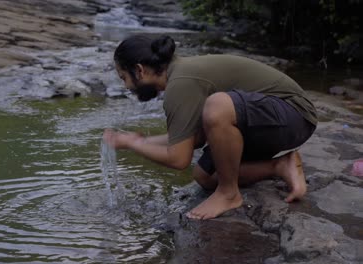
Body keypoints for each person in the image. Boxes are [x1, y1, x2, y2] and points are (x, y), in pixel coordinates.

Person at [103, 35, 317, 220]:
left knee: (218, 106)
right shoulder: (180, 76)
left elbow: (178, 158)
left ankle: (229, 194)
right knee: (205, 176)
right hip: (272, 123)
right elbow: (191, 139)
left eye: (124, 78)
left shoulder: (181, 82)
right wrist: (137, 141)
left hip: (295, 115)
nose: (126, 86)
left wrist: (134, 144)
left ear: (139, 70)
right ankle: (279, 165)